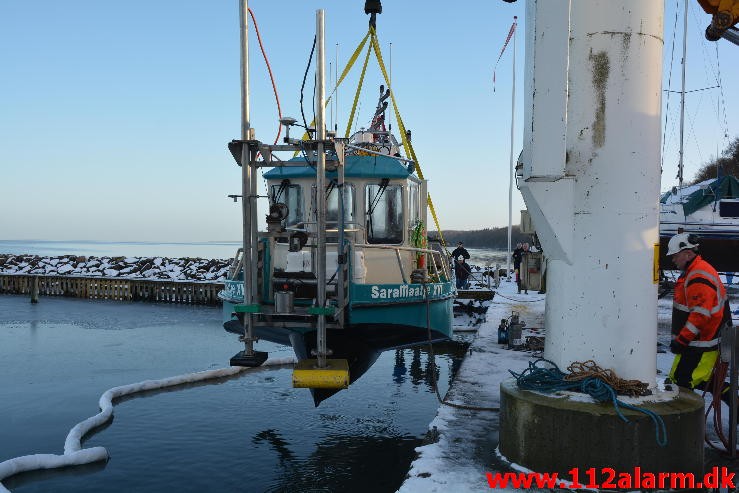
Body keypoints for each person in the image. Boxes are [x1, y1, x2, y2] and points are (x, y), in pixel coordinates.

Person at [667, 233, 734, 404]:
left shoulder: (698, 275)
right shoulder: (695, 271)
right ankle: (733, 401)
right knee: (697, 379)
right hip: (699, 342)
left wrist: (681, 340)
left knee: (681, 382)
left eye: (675, 256)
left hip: (701, 343)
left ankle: (683, 425)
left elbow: (700, 315)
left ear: (687, 254)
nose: (673, 260)